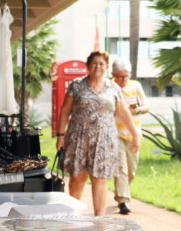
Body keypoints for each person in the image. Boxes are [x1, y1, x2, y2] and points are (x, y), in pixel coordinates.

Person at [55, 51, 140, 216]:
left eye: (101, 64)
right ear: (87, 66)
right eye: (94, 63)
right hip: (78, 138)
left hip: (104, 141)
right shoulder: (76, 85)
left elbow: (123, 112)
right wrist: (60, 135)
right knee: (77, 179)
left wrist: (135, 134)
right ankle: (73, 217)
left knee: (100, 179)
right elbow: (65, 111)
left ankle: (99, 221)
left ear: (107, 67)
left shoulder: (113, 87)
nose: (98, 67)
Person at [111, 58, 149, 215]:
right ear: (113, 74)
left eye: (126, 76)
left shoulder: (136, 86)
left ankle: (121, 191)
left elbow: (146, 106)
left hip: (133, 134)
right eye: (119, 76)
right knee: (121, 168)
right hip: (115, 134)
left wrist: (137, 110)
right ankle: (123, 201)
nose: (123, 80)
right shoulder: (110, 88)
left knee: (131, 170)